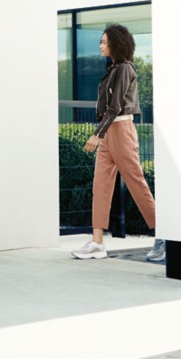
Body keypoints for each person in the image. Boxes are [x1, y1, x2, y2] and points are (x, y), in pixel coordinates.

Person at [71, 24, 165, 262]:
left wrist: (97, 134)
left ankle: (164, 236)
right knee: (100, 186)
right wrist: (103, 133)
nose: (100, 45)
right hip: (109, 133)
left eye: (104, 41)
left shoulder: (124, 69)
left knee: (136, 183)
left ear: (115, 43)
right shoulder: (112, 69)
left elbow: (115, 107)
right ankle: (97, 243)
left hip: (121, 130)